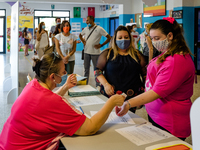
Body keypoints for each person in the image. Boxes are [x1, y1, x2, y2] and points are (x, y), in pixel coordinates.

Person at [0, 52, 125, 150]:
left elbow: (45, 103)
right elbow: (90, 128)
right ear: (53, 77)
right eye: (63, 72)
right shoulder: (52, 102)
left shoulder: (33, 85)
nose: (66, 73)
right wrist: (111, 102)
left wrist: (65, 87)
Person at [116, 17, 195, 140]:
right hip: (158, 116)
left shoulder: (176, 61)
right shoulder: (167, 52)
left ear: (170, 35)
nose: (154, 42)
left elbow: (157, 92)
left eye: (156, 38)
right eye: (152, 38)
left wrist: (129, 103)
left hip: (169, 121)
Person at [95, 26, 146, 113]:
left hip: (131, 97)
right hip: (111, 95)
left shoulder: (137, 55)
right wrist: (106, 84)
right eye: (120, 38)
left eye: (126, 37)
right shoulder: (107, 54)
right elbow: (97, 71)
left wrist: (143, 95)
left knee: (128, 121)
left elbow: (145, 75)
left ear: (130, 39)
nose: (123, 40)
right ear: (115, 39)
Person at [79, 16, 111, 85]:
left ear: (92, 20)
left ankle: (98, 85)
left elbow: (109, 37)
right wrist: (83, 42)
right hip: (86, 52)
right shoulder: (86, 28)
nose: (86, 22)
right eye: (86, 20)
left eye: (87, 20)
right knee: (86, 70)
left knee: (96, 70)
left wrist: (101, 45)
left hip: (95, 53)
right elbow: (80, 35)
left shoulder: (99, 29)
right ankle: (85, 84)